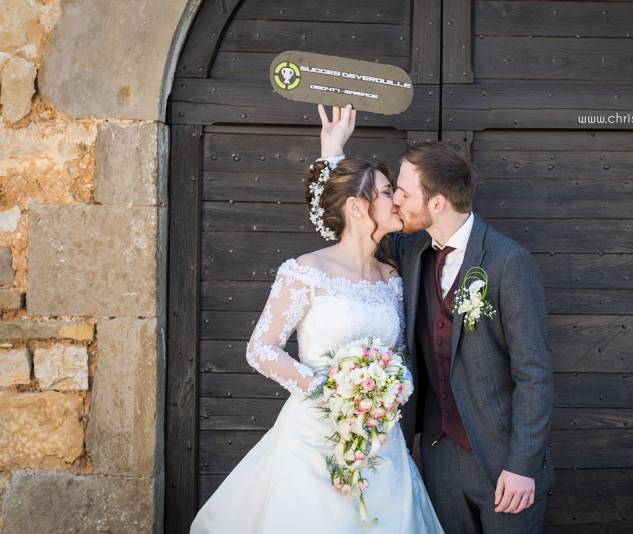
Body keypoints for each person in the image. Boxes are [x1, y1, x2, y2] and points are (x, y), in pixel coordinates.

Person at [189, 106, 445, 533]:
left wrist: (387, 391)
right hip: (314, 434)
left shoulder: (393, 275)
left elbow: (398, 354)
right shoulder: (306, 271)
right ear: (357, 207)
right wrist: (327, 390)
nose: (396, 199)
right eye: (386, 193)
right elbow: (261, 348)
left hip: (379, 436)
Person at [322, 104, 555, 534]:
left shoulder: (509, 262)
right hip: (436, 454)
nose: (395, 202)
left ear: (438, 202)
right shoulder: (410, 253)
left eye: (403, 194)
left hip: (505, 461)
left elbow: (534, 374)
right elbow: (349, 229)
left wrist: (523, 466)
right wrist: (333, 152)